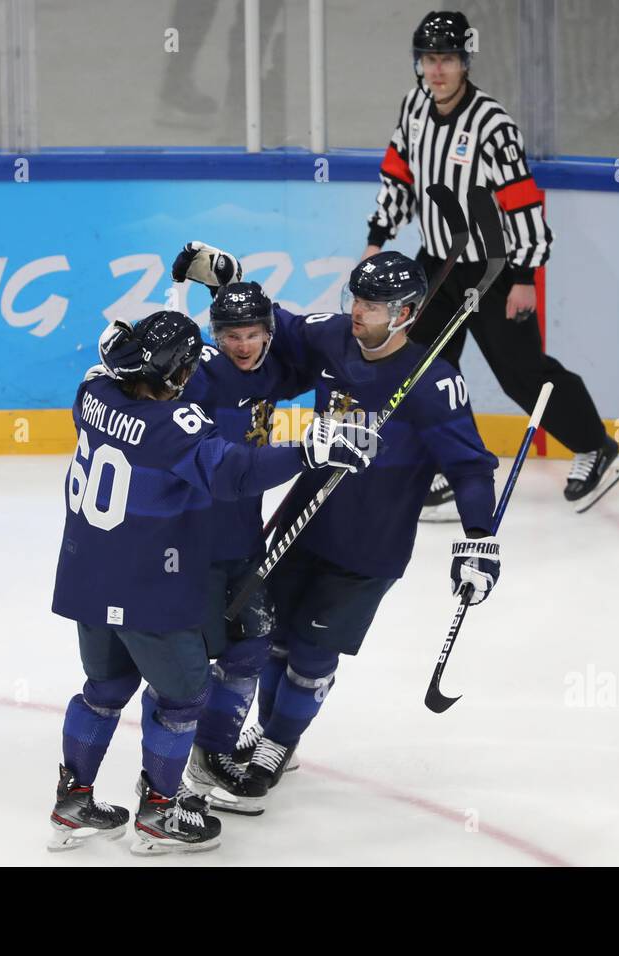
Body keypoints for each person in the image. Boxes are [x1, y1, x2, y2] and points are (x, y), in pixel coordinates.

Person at [174, 244, 502, 809]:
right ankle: (276, 730)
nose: (359, 309)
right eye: (358, 296)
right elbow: (259, 331)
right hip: (306, 519)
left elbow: (471, 470)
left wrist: (480, 542)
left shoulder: (434, 383)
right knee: (274, 638)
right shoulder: (331, 337)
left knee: (312, 651)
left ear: (406, 313)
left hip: (370, 545)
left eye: (374, 303)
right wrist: (227, 284)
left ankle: (278, 741)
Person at [47, 308, 378, 854]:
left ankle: (73, 800)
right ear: (176, 373)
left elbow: (104, 370)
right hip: (148, 589)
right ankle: (159, 813)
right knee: (184, 696)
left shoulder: (92, 398)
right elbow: (235, 472)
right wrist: (310, 450)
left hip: (87, 577)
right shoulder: (173, 430)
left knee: (103, 691)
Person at [364, 10, 619, 520]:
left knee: (521, 374)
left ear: (464, 62)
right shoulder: (414, 109)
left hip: (492, 269)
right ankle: (449, 467)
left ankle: (597, 447)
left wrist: (525, 277)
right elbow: (398, 172)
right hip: (435, 268)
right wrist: (377, 237)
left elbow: (521, 200)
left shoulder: (492, 124)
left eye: (446, 59)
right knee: (422, 368)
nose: (436, 70)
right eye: (428, 59)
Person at [166, 244, 313, 814]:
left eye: (254, 333)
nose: (243, 346)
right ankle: (168, 775)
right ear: (213, 336)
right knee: (190, 659)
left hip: (243, 536)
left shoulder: (273, 365)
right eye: (231, 335)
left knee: (250, 642)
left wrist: (235, 283)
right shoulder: (193, 378)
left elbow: (321, 347)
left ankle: (215, 751)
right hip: (192, 541)